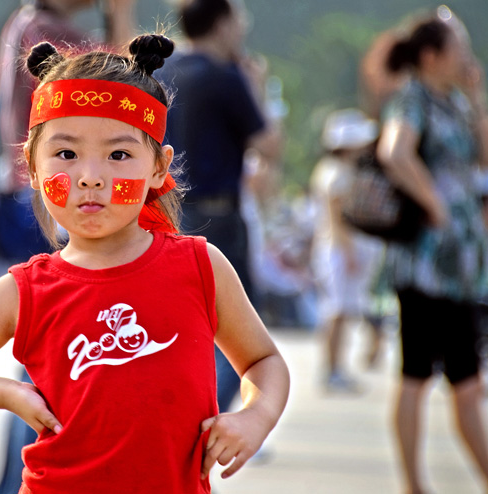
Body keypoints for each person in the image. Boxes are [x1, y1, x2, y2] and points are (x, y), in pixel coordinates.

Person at [0, 35, 290, 493]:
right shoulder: (27, 290)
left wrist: (254, 417)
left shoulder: (201, 266)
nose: (90, 176)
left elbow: (263, 361)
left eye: (119, 155)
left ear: (159, 167)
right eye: (66, 154)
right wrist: (9, 393)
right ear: (33, 167)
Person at [0, 2, 135, 492]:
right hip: (53, 199)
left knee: (45, 355)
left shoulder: (30, 23)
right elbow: (116, 90)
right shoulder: (46, 30)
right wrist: (121, 20)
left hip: (37, 194)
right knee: (44, 359)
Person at [376, 8, 488, 493]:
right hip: (426, 263)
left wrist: (477, 96)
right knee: (418, 375)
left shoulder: (455, 103)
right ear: (432, 56)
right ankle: (415, 484)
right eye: (458, 48)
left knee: (465, 381)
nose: (466, 57)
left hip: (459, 266)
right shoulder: (413, 99)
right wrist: (434, 203)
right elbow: (394, 153)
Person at [158, 0, 281, 417]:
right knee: (240, 333)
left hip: (163, 209)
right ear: (223, 23)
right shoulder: (226, 76)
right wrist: (256, 87)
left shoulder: (163, 69)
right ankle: (201, 421)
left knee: (175, 325)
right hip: (217, 216)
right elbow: (270, 145)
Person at [309, 109, 386, 393]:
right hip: (339, 250)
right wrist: (349, 251)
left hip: (339, 249)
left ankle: (336, 367)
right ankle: (332, 370)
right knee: (337, 312)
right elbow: (336, 217)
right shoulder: (336, 172)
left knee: (342, 311)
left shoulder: (338, 169)